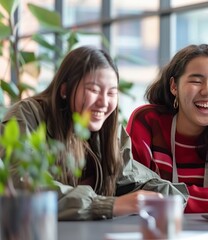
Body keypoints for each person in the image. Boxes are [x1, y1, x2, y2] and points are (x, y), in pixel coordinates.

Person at [1, 46, 188, 220]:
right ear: (65, 90)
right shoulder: (28, 114)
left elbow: (132, 177)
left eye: (111, 93)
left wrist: (168, 197)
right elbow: (24, 184)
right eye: (94, 90)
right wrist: (108, 205)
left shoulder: (108, 130)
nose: (103, 102)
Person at [126, 44, 208, 213]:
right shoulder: (147, 122)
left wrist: (167, 197)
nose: (207, 91)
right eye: (196, 81)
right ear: (174, 86)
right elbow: (134, 189)